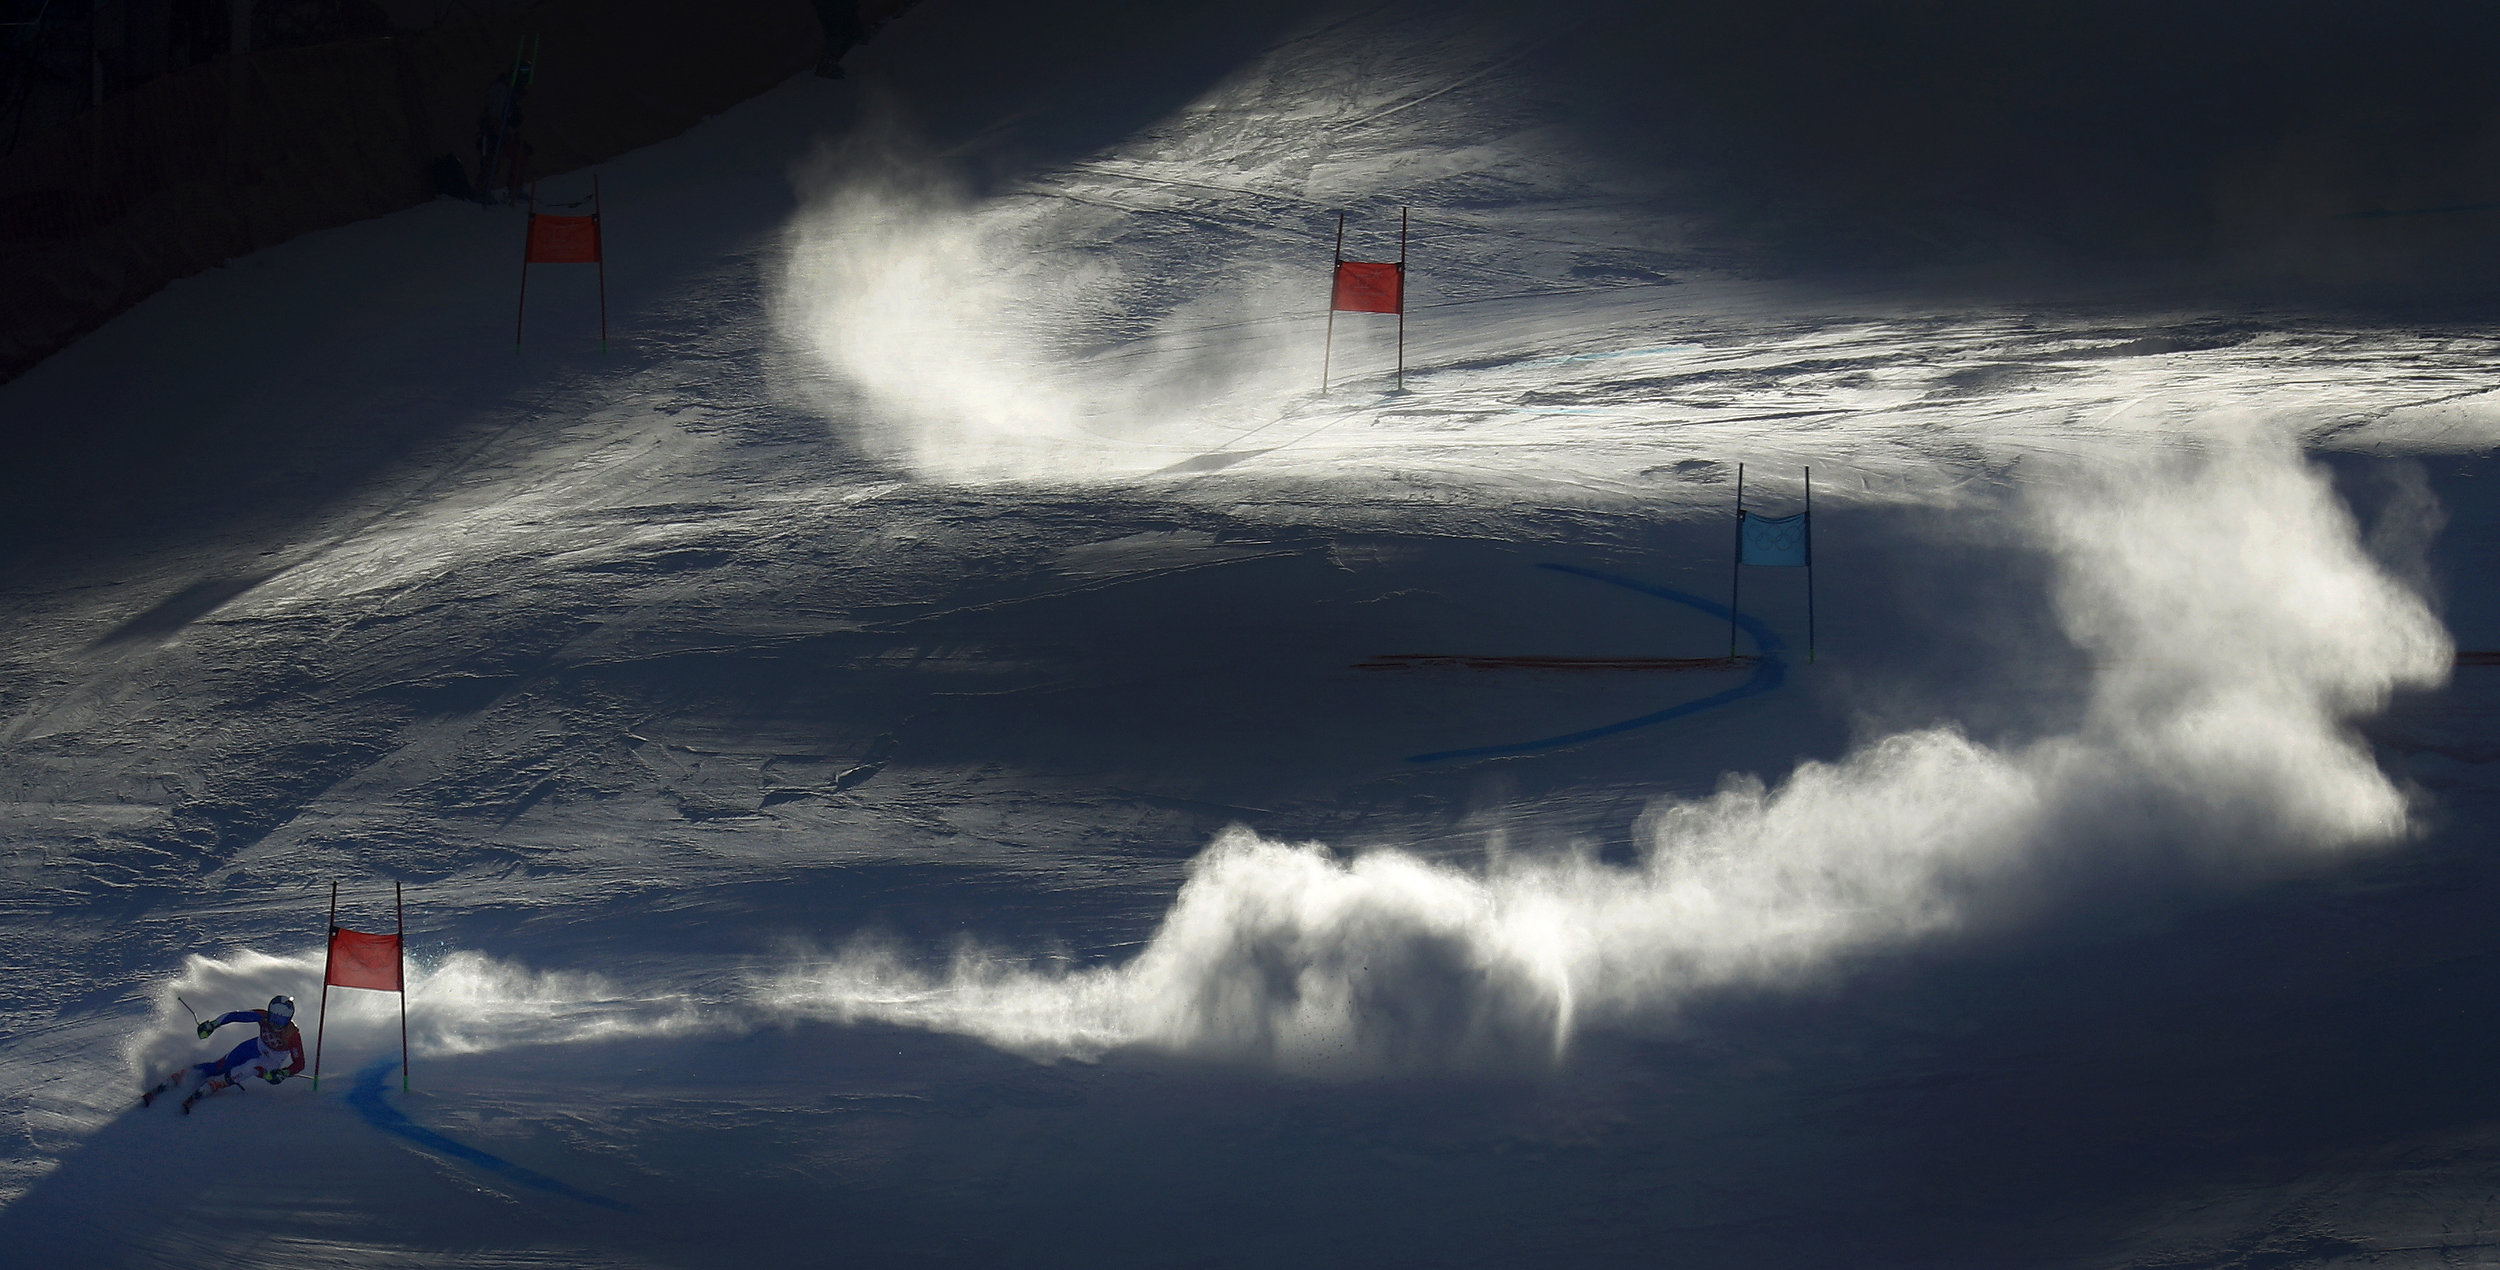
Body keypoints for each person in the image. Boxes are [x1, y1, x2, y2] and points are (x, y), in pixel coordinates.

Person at [143, 995, 306, 1113]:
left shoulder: (292, 1035)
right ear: (269, 1013)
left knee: (252, 1066)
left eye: (281, 1020)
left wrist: (283, 1072)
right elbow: (235, 1016)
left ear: (289, 1019)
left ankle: (218, 1083)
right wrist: (213, 1025)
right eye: (274, 1017)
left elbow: (300, 1064)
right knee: (220, 1065)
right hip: (256, 1046)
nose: (276, 1023)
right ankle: (185, 1074)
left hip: (272, 1061)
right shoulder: (262, 1016)